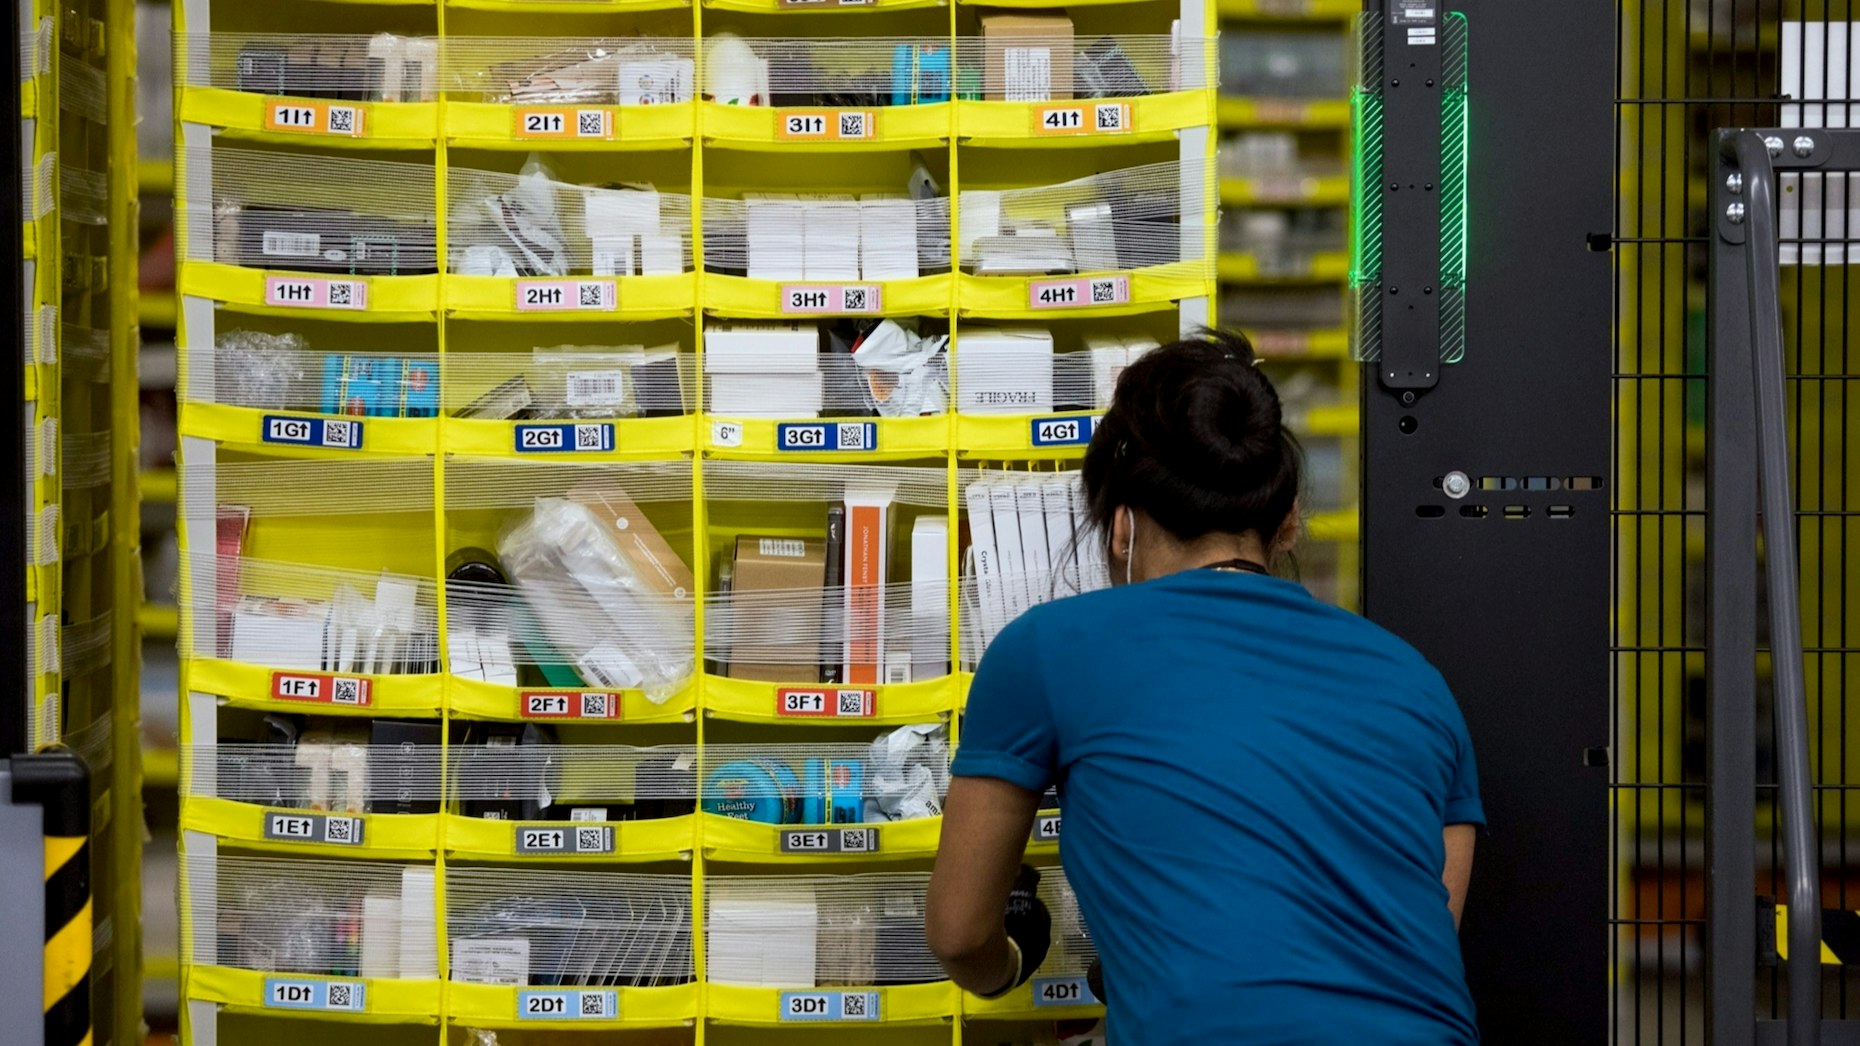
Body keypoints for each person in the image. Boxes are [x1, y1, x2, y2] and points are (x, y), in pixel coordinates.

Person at [924, 329, 1484, 1045]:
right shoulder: (1416, 681)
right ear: (1286, 523)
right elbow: (1418, 936)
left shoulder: (1047, 647)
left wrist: (1006, 966)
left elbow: (959, 932)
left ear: (1120, 525)